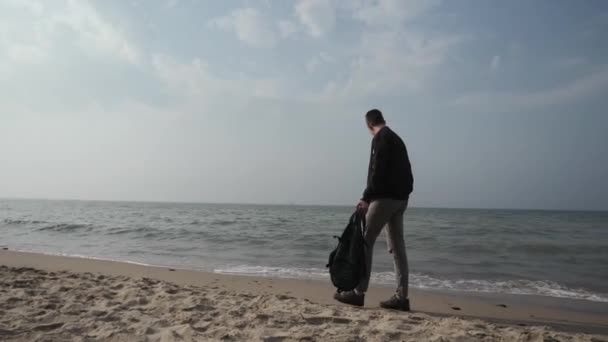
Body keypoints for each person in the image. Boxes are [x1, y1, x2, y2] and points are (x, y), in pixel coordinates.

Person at [334, 109, 414, 311]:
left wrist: (366, 197)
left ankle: (358, 293)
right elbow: (408, 172)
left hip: (384, 199)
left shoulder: (379, 138)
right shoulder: (397, 139)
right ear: (382, 120)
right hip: (401, 200)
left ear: (369, 125)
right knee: (397, 247)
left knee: (365, 242)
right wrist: (404, 196)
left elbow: (376, 171)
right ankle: (402, 297)